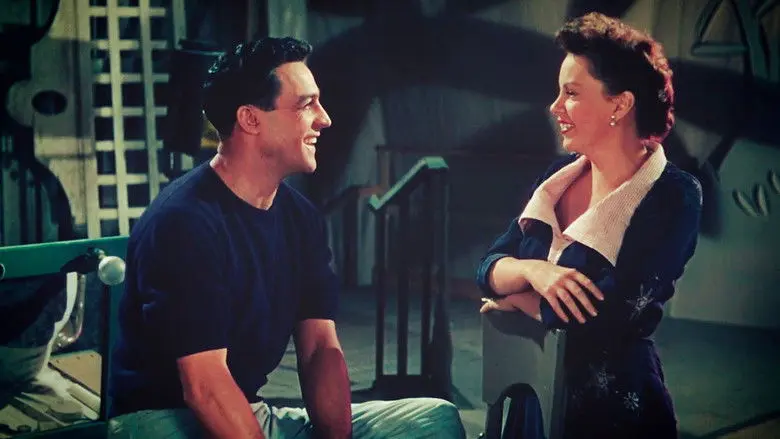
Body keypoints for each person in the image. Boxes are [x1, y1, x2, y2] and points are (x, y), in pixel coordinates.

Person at [108, 37, 465, 439]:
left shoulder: (300, 218)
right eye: (305, 104)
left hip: (247, 410)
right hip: (162, 421)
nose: (324, 119)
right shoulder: (184, 222)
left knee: (435, 420)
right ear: (250, 119)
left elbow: (319, 349)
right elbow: (205, 387)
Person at [476, 13, 701, 439]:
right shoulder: (557, 178)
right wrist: (533, 271)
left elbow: (608, 319)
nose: (555, 106)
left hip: (609, 410)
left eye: (572, 93)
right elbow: (489, 266)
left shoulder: (673, 194)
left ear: (620, 104)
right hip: (532, 399)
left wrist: (517, 299)